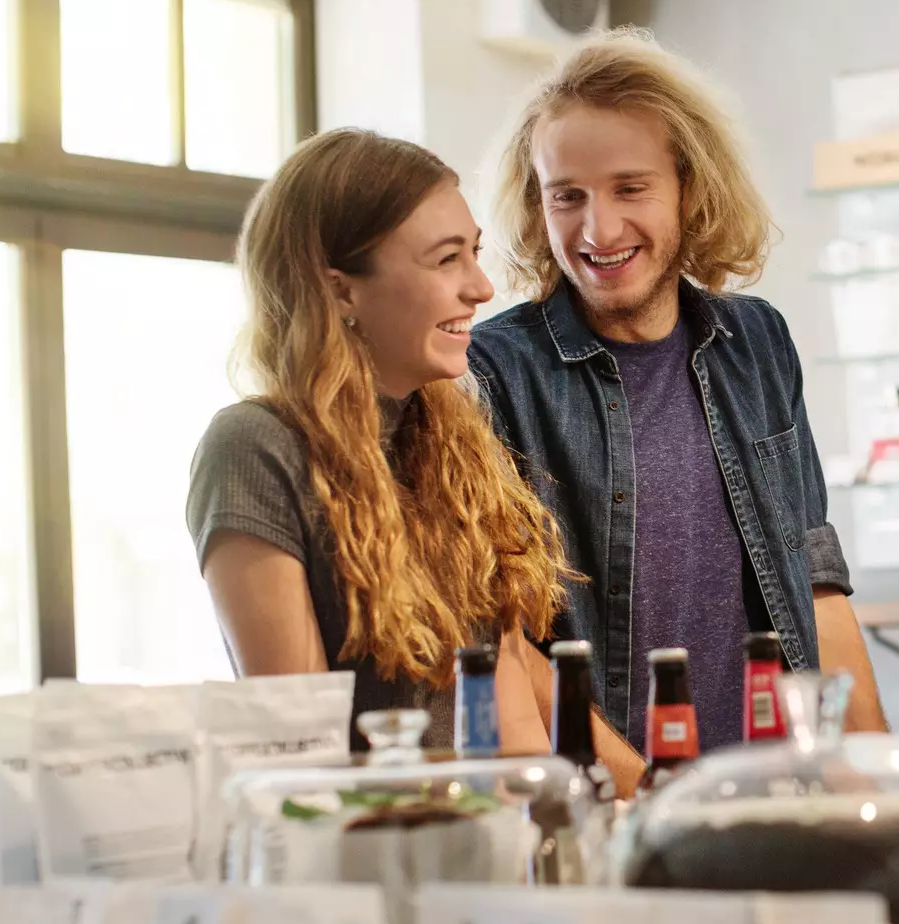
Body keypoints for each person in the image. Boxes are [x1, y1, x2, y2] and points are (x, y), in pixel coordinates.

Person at [467, 30, 888, 755]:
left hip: (774, 791)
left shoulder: (757, 344)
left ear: (690, 187)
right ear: (537, 205)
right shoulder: (497, 371)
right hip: (613, 807)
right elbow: (506, 643)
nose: (598, 229)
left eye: (630, 188)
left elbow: (816, 584)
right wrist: (640, 796)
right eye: (567, 196)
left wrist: (882, 773)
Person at [187, 128, 640, 788]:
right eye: (446, 260)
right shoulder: (257, 448)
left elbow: (509, 693)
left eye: (475, 254)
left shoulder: (454, 441)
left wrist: (635, 796)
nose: (481, 287)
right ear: (341, 291)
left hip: (484, 852)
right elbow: (304, 757)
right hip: (381, 864)